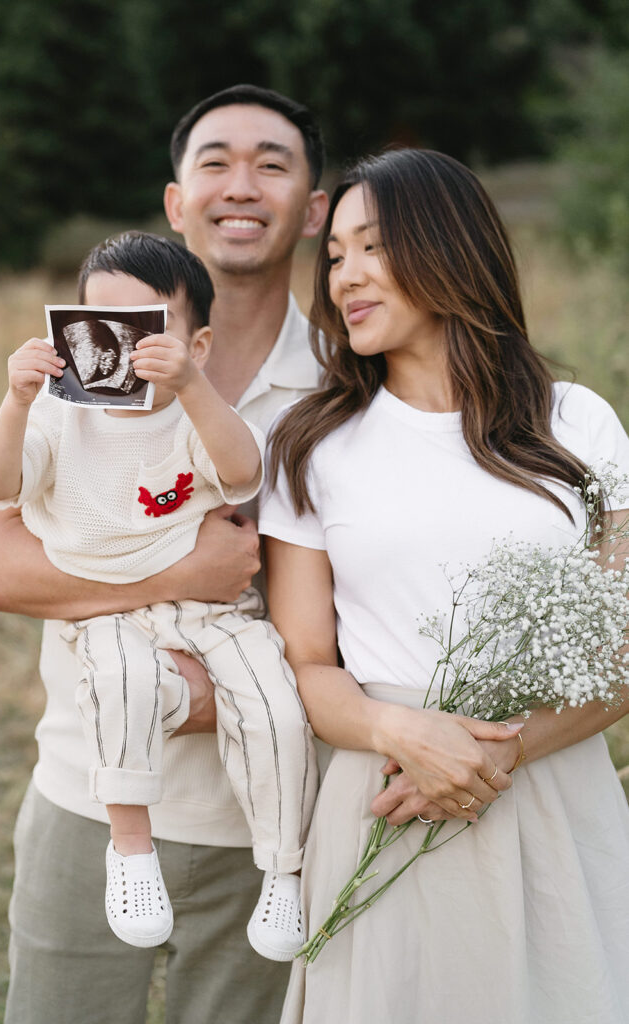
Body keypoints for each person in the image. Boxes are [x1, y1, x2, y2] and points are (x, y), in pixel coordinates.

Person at [0, 85, 328, 1024]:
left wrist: (204, 688)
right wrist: (183, 575)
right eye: (214, 160)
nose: (240, 185)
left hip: (268, 804)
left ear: (314, 208)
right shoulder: (75, 377)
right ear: (176, 200)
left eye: (273, 163)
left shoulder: (343, 378)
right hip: (90, 791)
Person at [260, 148, 629, 1024]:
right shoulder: (310, 445)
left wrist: (499, 752)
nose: (343, 274)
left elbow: (619, 648)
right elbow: (308, 667)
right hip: (385, 792)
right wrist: (406, 733)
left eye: (370, 247)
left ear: (448, 246)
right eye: (334, 255)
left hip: (547, 790)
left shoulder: (576, 421)